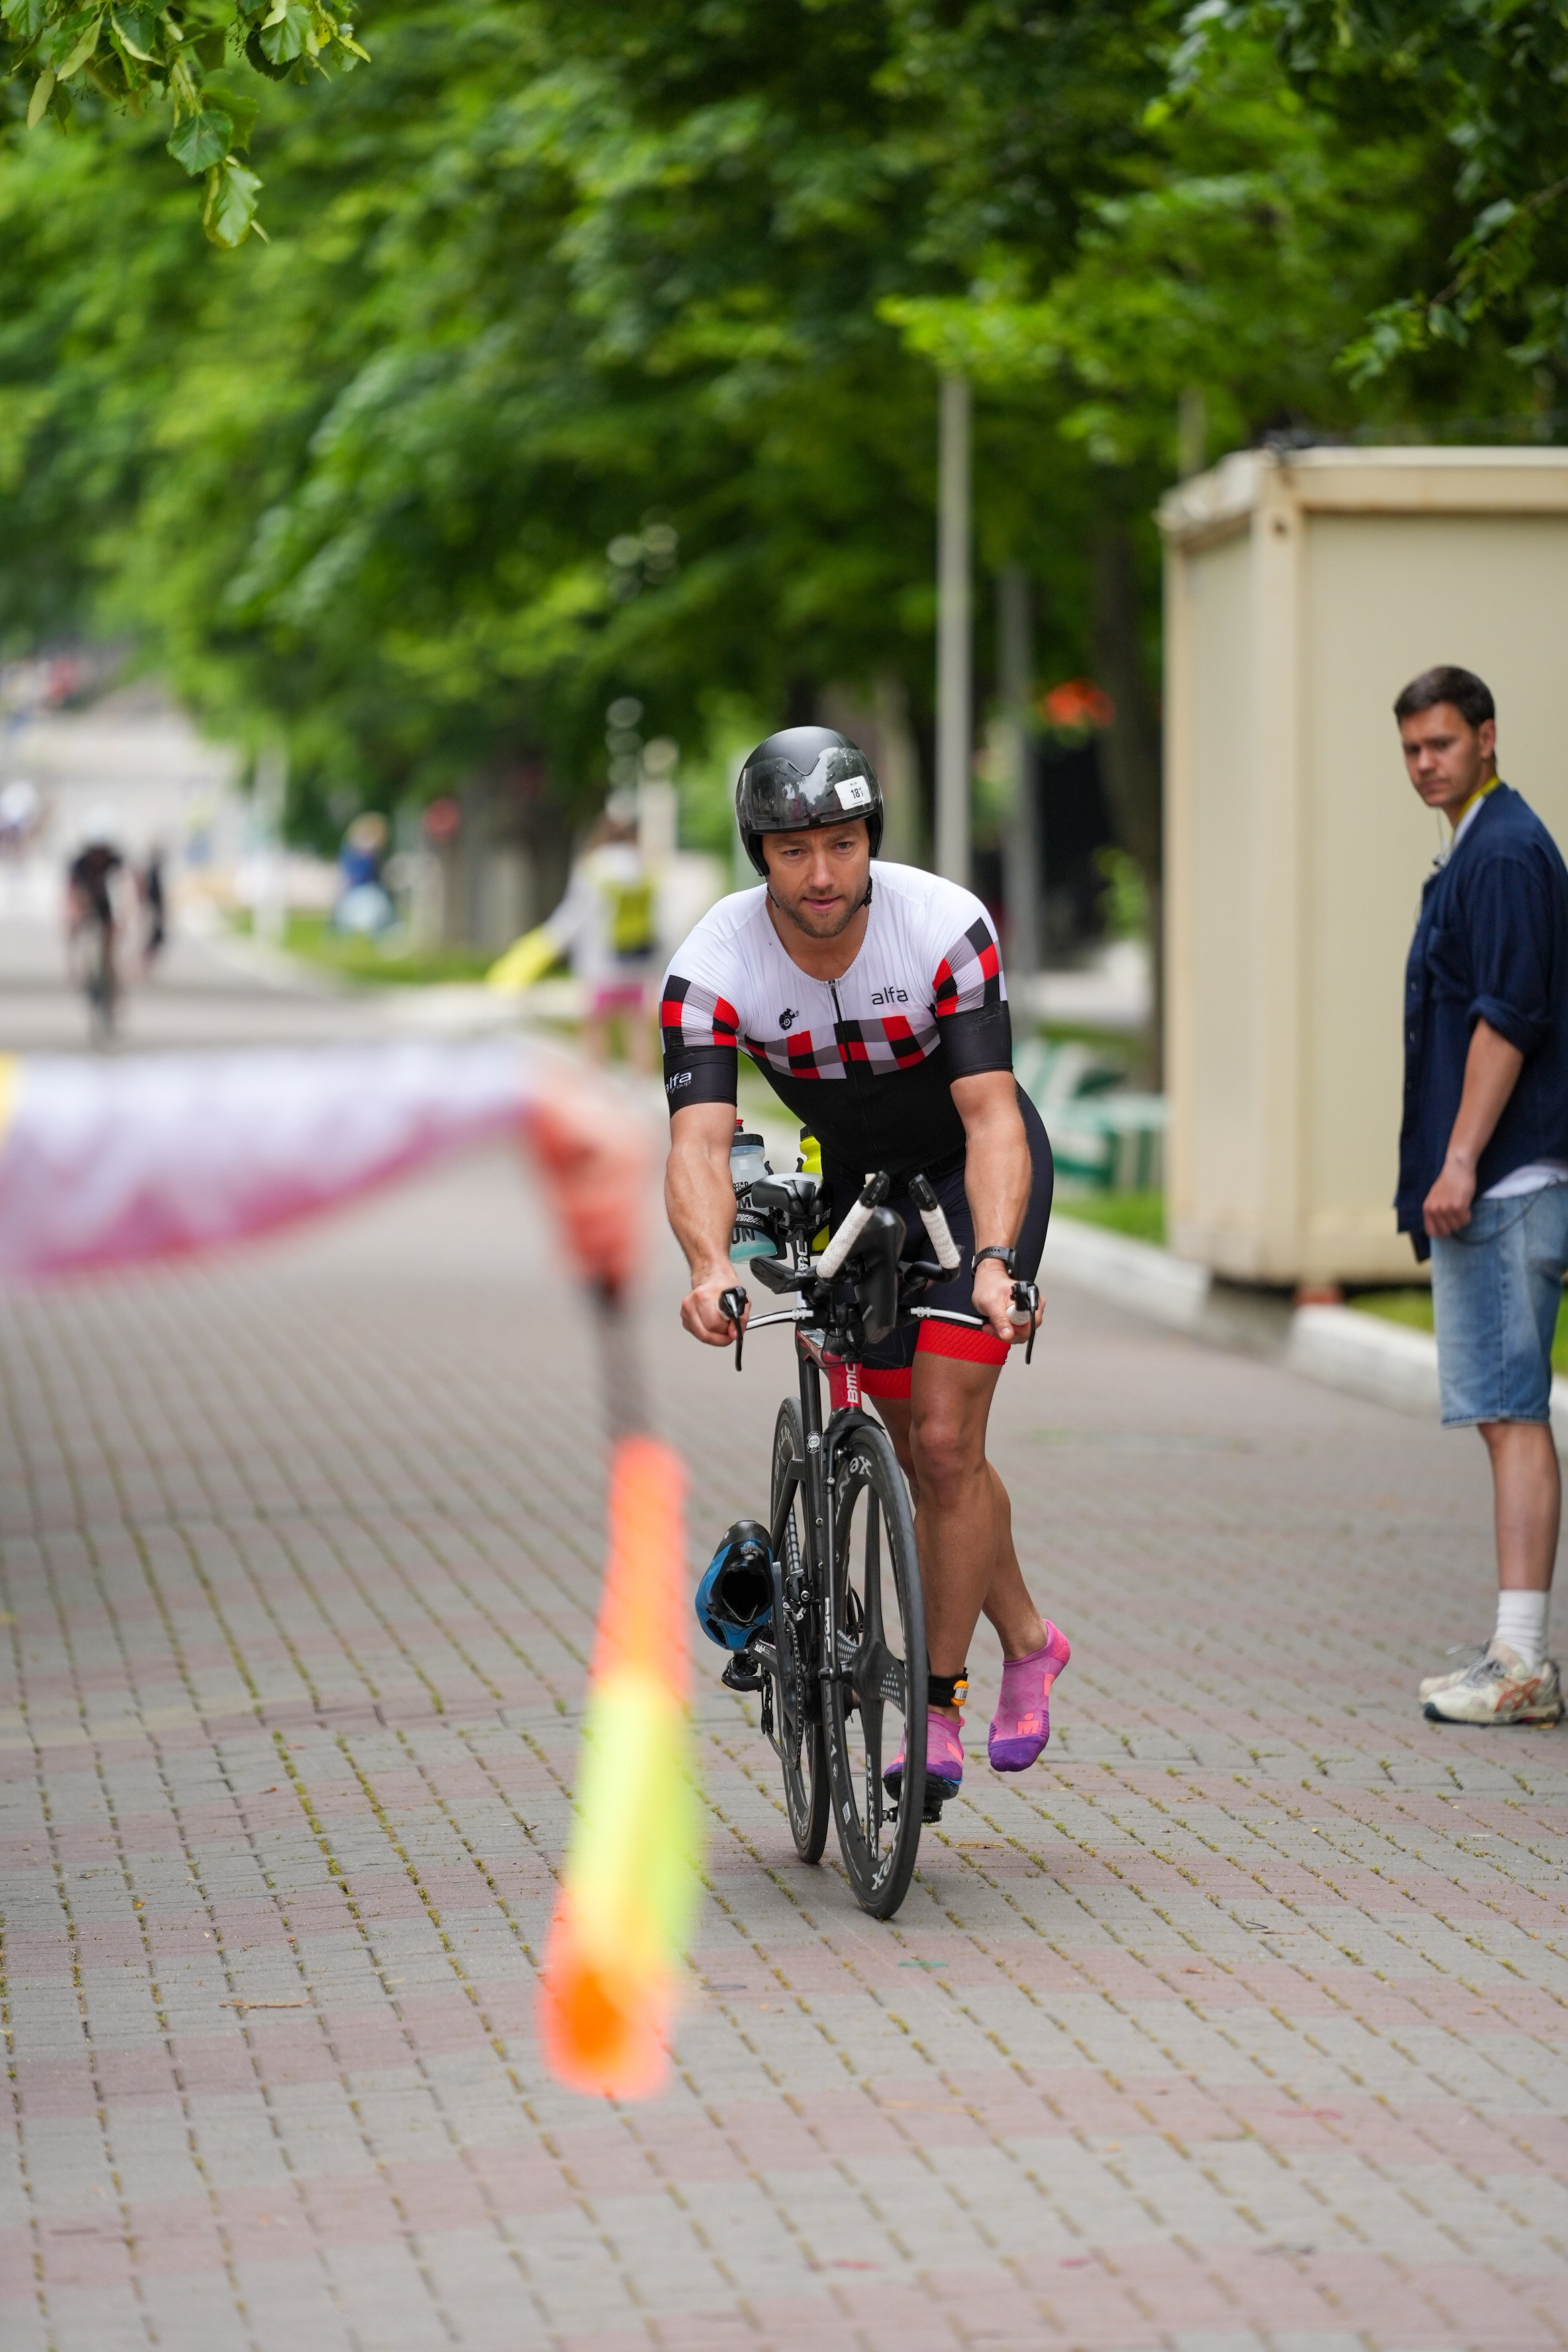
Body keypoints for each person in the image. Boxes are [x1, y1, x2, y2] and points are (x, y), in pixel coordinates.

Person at [660, 724, 1067, 1808]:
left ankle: (936, 1702)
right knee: (929, 1458)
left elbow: (989, 1119)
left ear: (871, 838)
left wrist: (991, 1258)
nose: (823, 873)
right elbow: (699, 1141)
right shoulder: (712, 961)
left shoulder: (943, 925)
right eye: (793, 850)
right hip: (854, 1181)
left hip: (971, 1171)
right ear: (759, 854)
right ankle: (1031, 1634)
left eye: (842, 843)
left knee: (944, 1434)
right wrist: (711, 1264)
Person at [1395, 666, 1568, 1726]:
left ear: (1487, 738)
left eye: (1443, 745)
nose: (1425, 765)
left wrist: (1459, 1161)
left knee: (1510, 1415)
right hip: (1496, 1178)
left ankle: (1522, 1663)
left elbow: (1510, 1015)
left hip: (1504, 1180)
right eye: (1413, 749)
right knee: (1505, 1414)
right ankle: (1512, 1647)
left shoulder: (1503, 853)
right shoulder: (1480, 843)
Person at [542, 795, 659, 1074]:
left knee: (594, 1027)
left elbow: (575, 914)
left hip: (600, 965)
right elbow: (658, 917)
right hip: (638, 963)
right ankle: (644, 1091)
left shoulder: (593, 867)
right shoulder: (645, 867)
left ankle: (599, 1090)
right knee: (639, 1028)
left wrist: (550, 942)